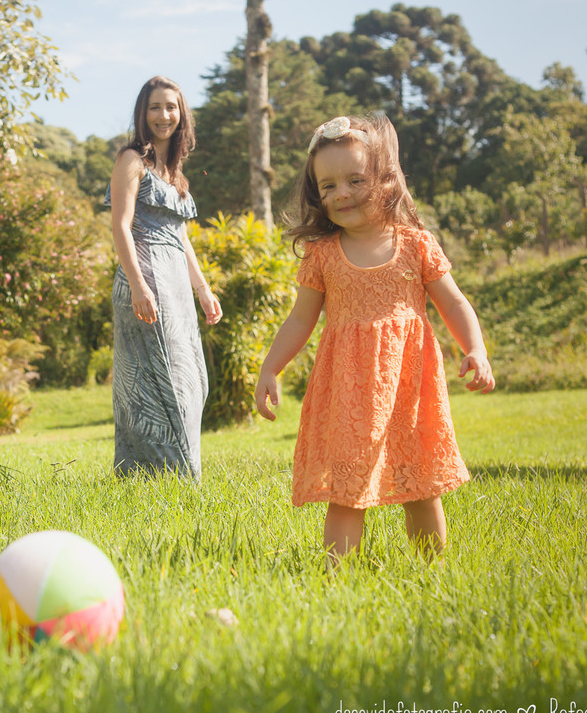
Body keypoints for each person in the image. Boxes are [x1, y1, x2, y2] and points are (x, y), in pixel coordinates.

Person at [253, 114, 495, 566]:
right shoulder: (322, 255)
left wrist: (475, 349)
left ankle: (430, 570)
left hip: (409, 389)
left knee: (421, 485)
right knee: (346, 491)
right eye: (328, 186)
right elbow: (300, 320)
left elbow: (454, 303)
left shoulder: (416, 244)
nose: (341, 193)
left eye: (355, 180)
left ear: (386, 180)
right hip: (348, 392)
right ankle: (336, 576)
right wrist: (271, 368)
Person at [106, 76, 223, 479]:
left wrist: (203, 289)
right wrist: (139, 285)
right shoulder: (131, 161)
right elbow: (121, 226)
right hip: (145, 282)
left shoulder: (175, 174)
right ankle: (160, 479)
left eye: (171, 107)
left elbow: (180, 238)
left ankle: (176, 476)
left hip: (176, 287)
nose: (163, 115)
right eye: (155, 107)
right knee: (155, 383)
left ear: (181, 114)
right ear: (143, 113)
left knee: (192, 381)